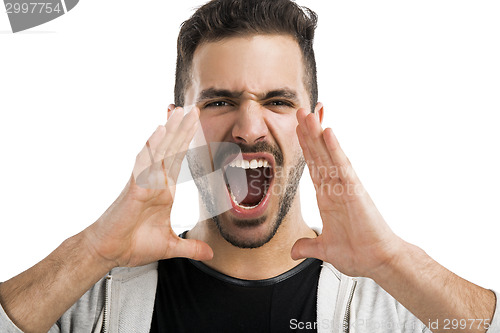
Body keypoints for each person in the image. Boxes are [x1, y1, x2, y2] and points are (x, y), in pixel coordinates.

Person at [0, 0, 498, 332]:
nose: (249, 127)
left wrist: (391, 261)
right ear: (180, 124)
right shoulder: (93, 306)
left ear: (315, 125)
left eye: (278, 101)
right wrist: (93, 250)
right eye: (219, 102)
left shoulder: (391, 310)